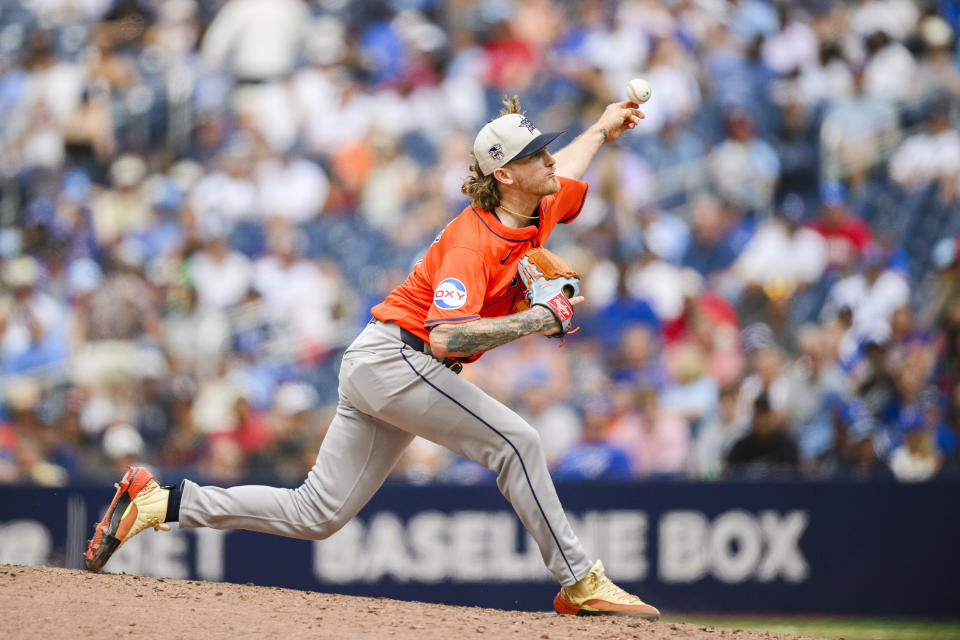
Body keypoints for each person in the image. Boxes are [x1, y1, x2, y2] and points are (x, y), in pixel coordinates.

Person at [83, 95, 661, 618]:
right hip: (401, 358)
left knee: (317, 513)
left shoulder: (538, 206)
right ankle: (580, 580)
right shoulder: (472, 243)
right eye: (535, 154)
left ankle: (161, 502)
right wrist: (538, 319)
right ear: (505, 174)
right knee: (517, 442)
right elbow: (445, 339)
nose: (549, 159)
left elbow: (572, 167)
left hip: (383, 363)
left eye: (546, 148)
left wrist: (603, 128)